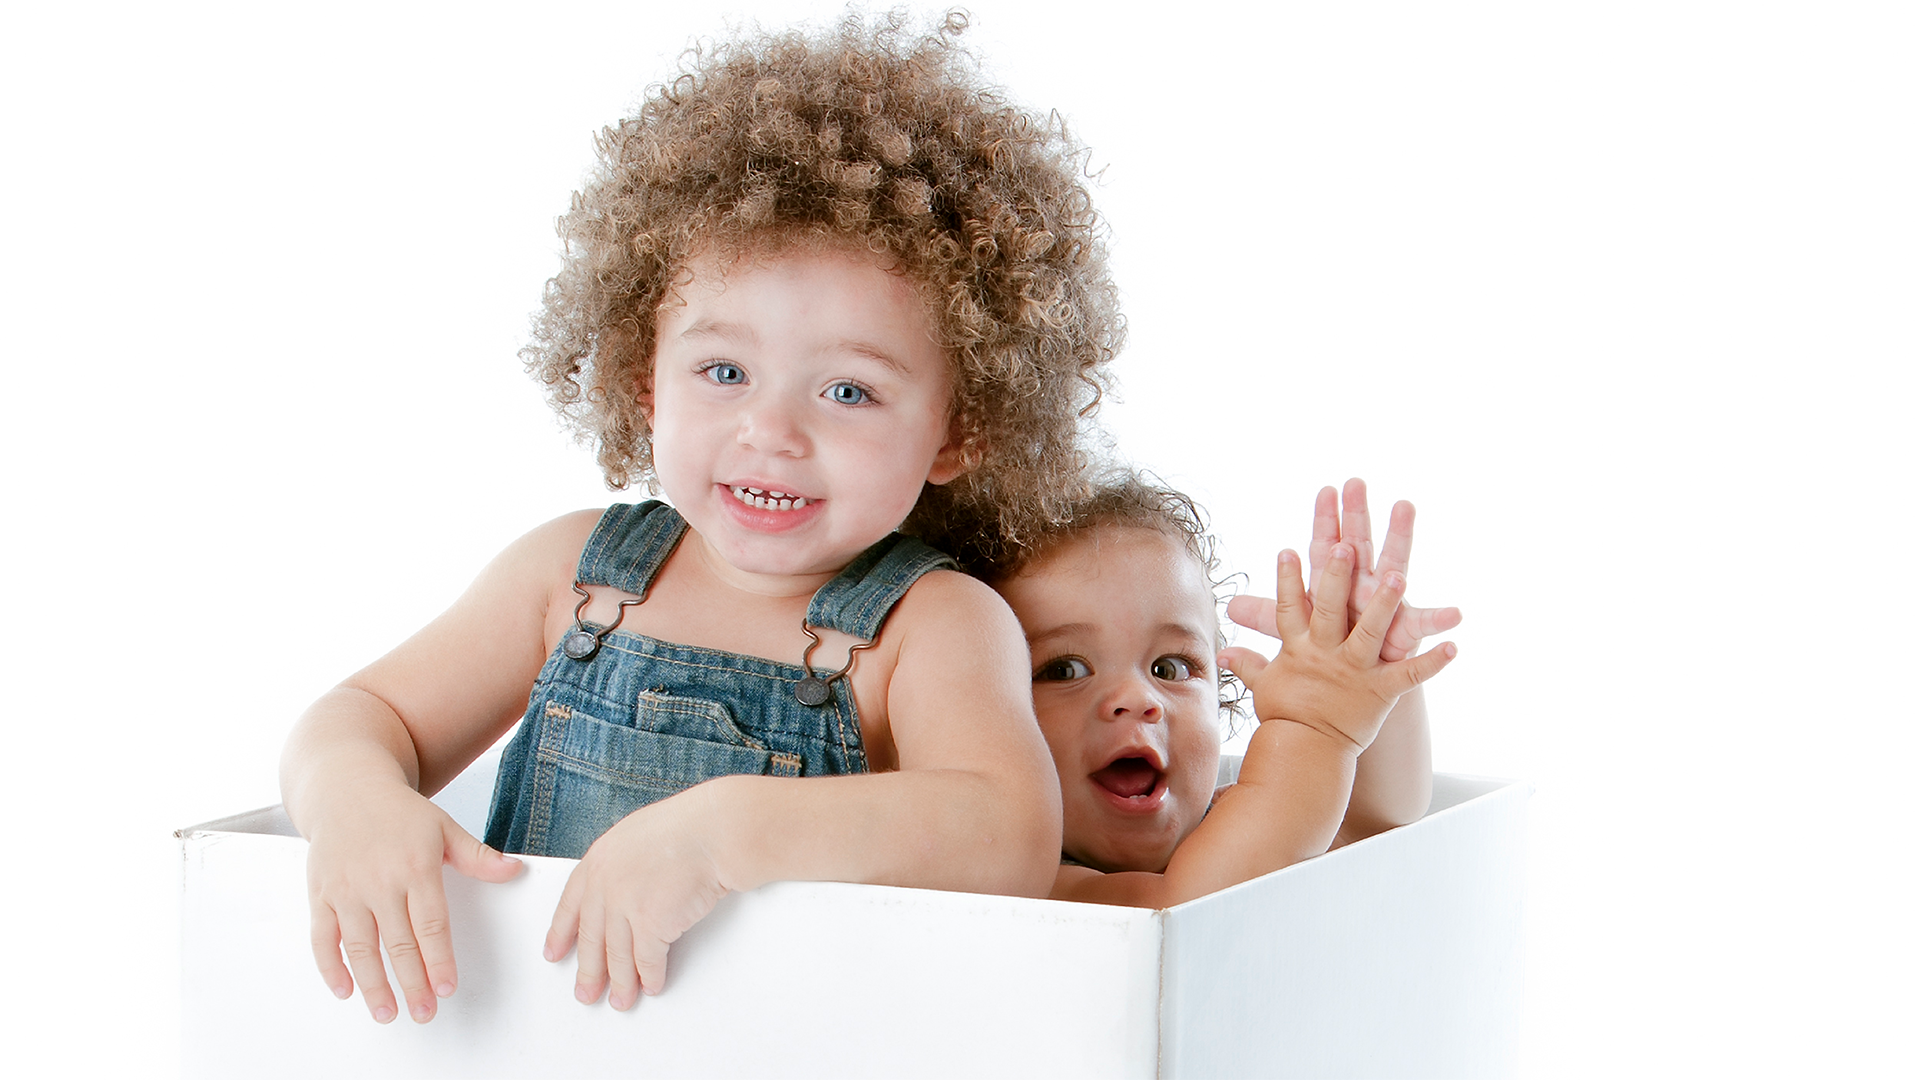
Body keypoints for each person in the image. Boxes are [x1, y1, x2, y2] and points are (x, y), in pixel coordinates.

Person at [279, 10, 1121, 1024]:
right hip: (531, 1040)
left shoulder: (931, 625)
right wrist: (355, 802)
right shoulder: (575, 579)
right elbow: (360, 719)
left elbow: (1006, 836)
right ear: (645, 380)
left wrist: (725, 835)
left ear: (959, 428)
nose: (771, 431)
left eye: (848, 391)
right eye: (724, 371)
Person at [977, 474, 1460, 906]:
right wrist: (1315, 727)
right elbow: (1182, 905)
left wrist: (1365, 666)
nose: (1137, 698)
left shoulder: (1233, 814)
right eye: (1065, 670)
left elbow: (1380, 818)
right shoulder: (1029, 881)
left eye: (1169, 667)